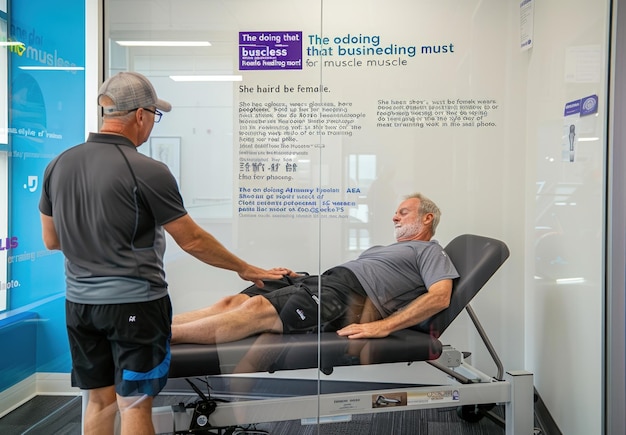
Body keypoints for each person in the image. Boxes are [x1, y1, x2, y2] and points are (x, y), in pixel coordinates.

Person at [38, 71, 291, 435]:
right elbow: (193, 241)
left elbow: (51, 240)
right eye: (155, 115)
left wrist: (95, 246)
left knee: (98, 401)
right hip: (135, 308)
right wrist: (246, 269)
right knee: (135, 404)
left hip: (80, 306)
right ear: (140, 115)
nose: (152, 124)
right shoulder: (146, 170)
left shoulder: (58, 164)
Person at [171, 193, 459, 345]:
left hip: (349, 296)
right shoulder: (385, 250)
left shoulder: (430, 250)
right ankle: (159, 327)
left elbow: (439, 297)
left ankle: (160, 338)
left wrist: (383, 326)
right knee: (232, 302)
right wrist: (297, 278)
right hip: (325, 282)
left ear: (427, 219)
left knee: (255, 311)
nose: (394, 216)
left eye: (403, 212)